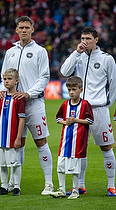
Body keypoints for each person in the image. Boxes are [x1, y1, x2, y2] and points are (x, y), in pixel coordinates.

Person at [0, 16, 53, 195]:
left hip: (33, 103)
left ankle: (49, 183)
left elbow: (44, 77)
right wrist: (1, 90)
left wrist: (29, 93)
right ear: (16, 30)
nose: (23, 30)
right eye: (20, 27)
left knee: (41, 141)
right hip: (13, 105)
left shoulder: (40, 51)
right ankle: (14, 183)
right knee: (17, 143)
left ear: (32, 30)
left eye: (26, 27)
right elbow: (3, 76)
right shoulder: (10, 52)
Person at [60, 26, 116, 196]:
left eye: (88, 39)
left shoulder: (107, 59)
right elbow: (64, 72)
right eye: (83, 38)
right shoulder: (78, 57)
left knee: (106, 147)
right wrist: (76, 53)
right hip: (80, 109)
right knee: (79, 148)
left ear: (96, 40)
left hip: (99, 109)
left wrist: (106, 104)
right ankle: (81, 185)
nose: (85, 42)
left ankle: (111, 185)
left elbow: (113, 85)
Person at [50, 76, 94, 199]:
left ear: (81, 90)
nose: (71, 92)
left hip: (78, 141)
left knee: (74, 167)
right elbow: (58, 118)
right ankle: (61, 190)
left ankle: (75, 190)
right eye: (69, 89)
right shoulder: (65, 104)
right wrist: (65, 122)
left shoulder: (85, 104)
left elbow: (90, 120)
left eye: (74, 89)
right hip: (65, 140)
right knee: (60, 166)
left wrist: (76, 120)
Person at [0, 68, 25, 196]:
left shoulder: (19, 98)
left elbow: (21, 119)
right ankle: (3, 186)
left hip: (12, 137)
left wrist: (18, 137)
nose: (6, 81)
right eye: (5, 79)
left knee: (15, 162)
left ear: (16, 81)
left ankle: (17, 187)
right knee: (2, 163)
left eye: (9, 79)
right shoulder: (0, 97)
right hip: (1, 136)